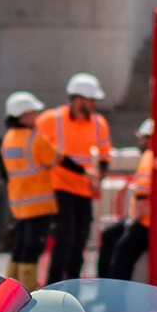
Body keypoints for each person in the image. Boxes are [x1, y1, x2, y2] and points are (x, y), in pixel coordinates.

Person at [34, 71, 111, 286]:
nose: (95, 104)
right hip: (58, 189)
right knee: (64, 239)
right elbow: (31, 142)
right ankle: (54, 285)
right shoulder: (52, 120)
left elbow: (104, 156)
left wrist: (99, 178)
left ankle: (73, 287)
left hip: (84, 191)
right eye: (91, 100)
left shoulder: (99, 124)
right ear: (77, 100)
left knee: (80, 241)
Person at [0, 90, 56, 290]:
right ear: (23, 115)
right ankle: (29, 291)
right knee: (32, 249)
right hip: (39, 205)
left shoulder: (8, 139)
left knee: (20, 247)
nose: (36, 117)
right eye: (33, 113)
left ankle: (9, 288)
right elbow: (54, 158)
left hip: (19, 204)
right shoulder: (35, 138)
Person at [99, 117, 154, 282]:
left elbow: (143, 193)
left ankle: (115, 299)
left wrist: (133, 220)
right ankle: (105, 288)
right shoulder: (152, 157)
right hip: (145, 218)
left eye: (142, 138)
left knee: (122, 252)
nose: (140, 141)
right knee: (109, 235)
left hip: (146, 222)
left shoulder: (148, 158)